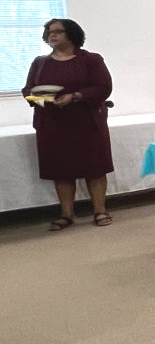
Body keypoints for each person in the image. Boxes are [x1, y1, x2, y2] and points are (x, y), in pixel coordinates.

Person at [21, 18, 114, 231]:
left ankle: (100, 211)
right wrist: (45, 99)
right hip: (52, 123)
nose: (51, 35)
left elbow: (103, 87)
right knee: (61, 169)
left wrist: (75, 96)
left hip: (87, 122)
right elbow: (28, 90)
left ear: (71, 34)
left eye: (57, 31)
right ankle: (66, 215)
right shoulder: (40, 62)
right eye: (49, 32)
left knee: (94, 168)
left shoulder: (91, 59)